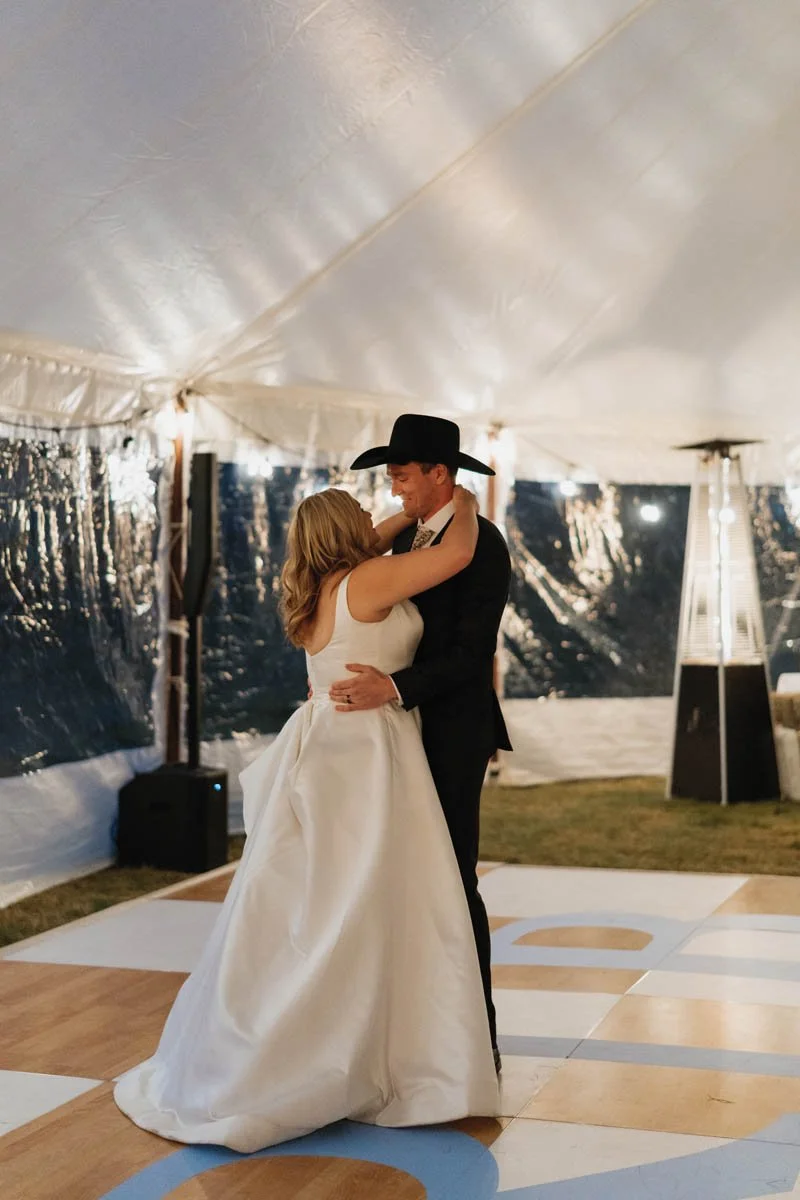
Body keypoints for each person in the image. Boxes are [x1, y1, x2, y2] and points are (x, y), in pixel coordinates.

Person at [113, 483, 498, 1153]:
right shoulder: (369, 579)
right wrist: (458, 499)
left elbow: (372, 534)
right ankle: (367, 1050)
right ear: (341, 531)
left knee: (318, 900)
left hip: (325, 743)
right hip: (366, 750)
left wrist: (409, 509)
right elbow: (457, 556)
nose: (367, 510)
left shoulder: (320, 588)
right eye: (354, 504)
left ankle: (322, 1041)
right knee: (368, 896)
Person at [330, 414, 512, 1073]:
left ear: (440, 472)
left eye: (403, 475)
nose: (394, 486)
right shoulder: (406, 538)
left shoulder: (481, 545)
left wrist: (396, 688)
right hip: (396, 734)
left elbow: (471, 653)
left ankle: (473, 1040)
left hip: (451, 731)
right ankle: (404, 1030)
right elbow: (349, 565)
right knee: (399, 879)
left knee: (452, 880)